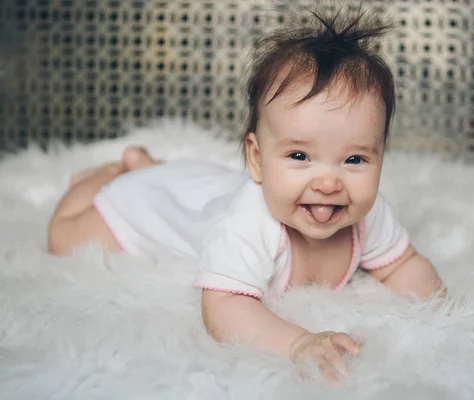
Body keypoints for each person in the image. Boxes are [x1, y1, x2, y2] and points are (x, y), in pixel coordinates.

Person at [47, 9, 445, 384]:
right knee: (62, 237)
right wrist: (297, 343)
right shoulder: (248, 225)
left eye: (354, 159)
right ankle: (112, 173)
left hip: (199, 187)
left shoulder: (368, 215)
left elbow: (402, 265)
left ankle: (148, 165)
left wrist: (441, 309)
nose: (328, 183)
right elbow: (224, 308)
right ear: (257, 159)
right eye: (300, 156)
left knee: (183, 186)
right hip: (144, 204)